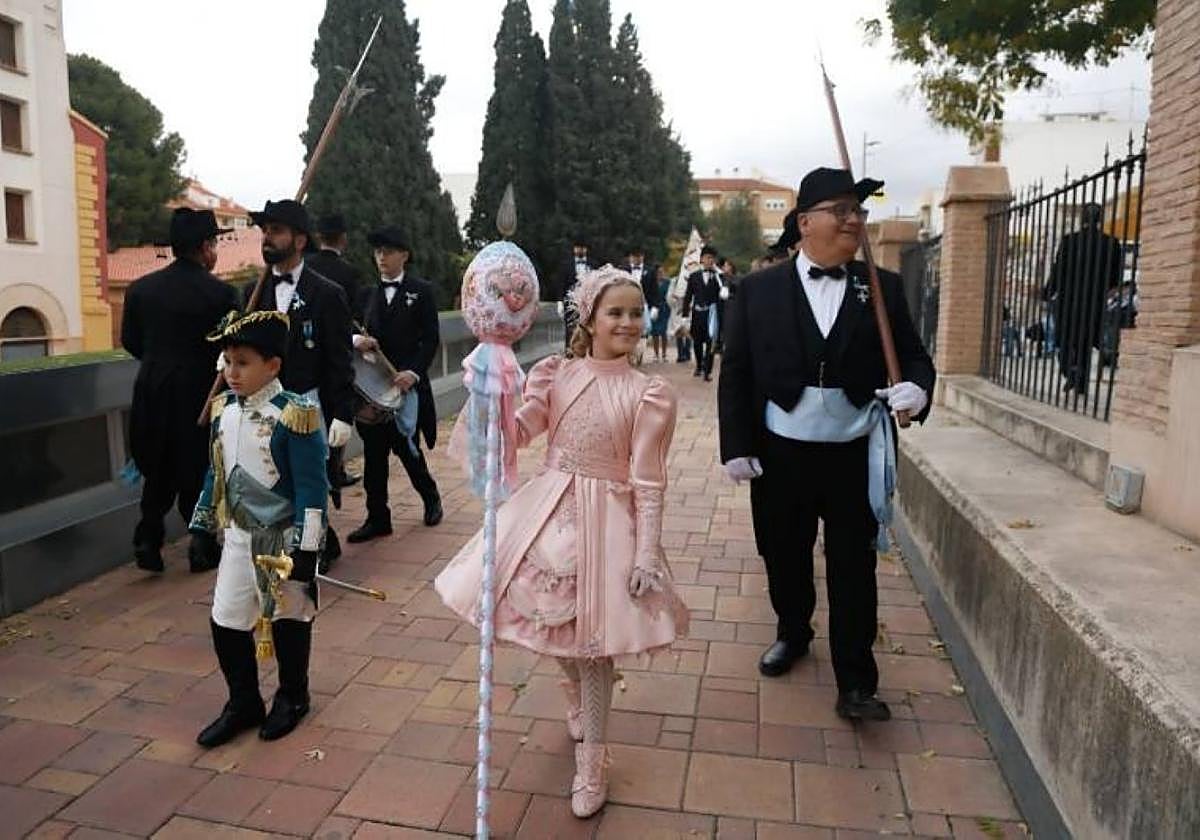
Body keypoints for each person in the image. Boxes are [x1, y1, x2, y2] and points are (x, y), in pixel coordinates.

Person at [435, 265, 688, 819]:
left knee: (594, 646)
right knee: (553, 626)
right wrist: (493, 396)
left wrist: (646, 551)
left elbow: (649, 480)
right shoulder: (556, 374)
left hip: (608, 524)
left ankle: (592, 762)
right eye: (615, 312)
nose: (627, 322)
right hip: (547, 512)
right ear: (590, 319)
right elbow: (522, 432)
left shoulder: (649, 393)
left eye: (636, 313)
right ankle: (574, 694)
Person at [718, 167, 935, 722]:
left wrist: (918, 389)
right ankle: (793, 630)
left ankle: (857, 682)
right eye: (840, 211)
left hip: (851, 455)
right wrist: (736, 444)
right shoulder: (757, 290)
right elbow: (737, 371)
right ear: (804, 223)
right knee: (783, 554)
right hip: (780, 455)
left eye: (858, 211)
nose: (853, 220)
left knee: (853, 567)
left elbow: (914, 357)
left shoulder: (881, 288)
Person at [189, 309, 328, 747]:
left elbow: (312, 489)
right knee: (226, 620)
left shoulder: (295, 415)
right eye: (227, 362)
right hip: (238, 534)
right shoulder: (223, 410)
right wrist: (201, 525)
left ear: (273, 365)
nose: (231, 373)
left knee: (289, 619)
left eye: (243, 362)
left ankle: (293, 696)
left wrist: (307, 549)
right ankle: (244, 702)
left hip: (283, 539)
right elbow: (216, 472)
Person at [121, 208, 240, 573]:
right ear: (205, 247)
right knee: (197, 467)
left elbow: (130, 341)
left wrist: (159, 364)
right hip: (200, 392)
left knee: (158, 466)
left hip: (152, 390)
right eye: (214, 243)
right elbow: (233, 349)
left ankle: (148, 537)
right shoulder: (221, 294)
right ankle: (201, 544)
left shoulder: (140, 290)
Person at [245, 199, 355, 571]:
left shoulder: (327, 294)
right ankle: (311, 539)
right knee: (275, 476)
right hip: (264, 403)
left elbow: (340, 360)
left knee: (310, 480)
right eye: (265, 231)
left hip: (308, 403)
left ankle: (315, 545)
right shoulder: (253, 292)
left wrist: (343, 413)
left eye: (276, 231)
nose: (267, 238)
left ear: (300, 240)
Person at [347, 226, 444, 542]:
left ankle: (431, 498)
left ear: (404, 255)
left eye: (388, 252)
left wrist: (412, 373)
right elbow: (346, 329)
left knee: (409, 451)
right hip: (374, 394)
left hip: (406, 390)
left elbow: (431, 339)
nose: (381, 257)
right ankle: (378, 518)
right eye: (377, 252)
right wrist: (358, 340)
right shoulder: (366, 295)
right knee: (374, 459)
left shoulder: (422, 291)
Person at [306, 212, 364, 499]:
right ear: (343, 238)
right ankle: (335, 471)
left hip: (306, 356)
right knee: (337, 416)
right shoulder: (349, 273)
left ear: (318, 237)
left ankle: (319, 474)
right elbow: (353, 317)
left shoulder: (306, 267)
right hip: (336, 355)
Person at [1043, 204, 1123, 396]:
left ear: (1082, 219)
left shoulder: (1069, 241)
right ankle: (1081, 382)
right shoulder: (1111, 243)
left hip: (1069, 300)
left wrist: (1048, 292)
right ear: (1100, 219)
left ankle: (1070, 372)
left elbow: (1058, 268)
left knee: (1065, 340)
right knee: (1085, 343)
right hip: (1094, 301)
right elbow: (1115, 276)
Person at [682, 245, 727, 381]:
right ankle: (699, 366)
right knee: (697, 342)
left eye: (712, 258)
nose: (710, 260)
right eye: (708, 257)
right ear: (701, 259)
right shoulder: (694, 276)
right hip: (697, 313)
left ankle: (708, 371)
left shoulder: (719, 277)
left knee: (710, 341)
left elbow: (724, 294)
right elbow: (688, 296)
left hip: (712, 314)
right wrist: (685, 316)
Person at [556, 238, 595, 348]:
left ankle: (588, 351)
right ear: (574, 249)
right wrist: (559, 302)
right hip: (570, 301)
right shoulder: (566, 264)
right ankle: (569, 352)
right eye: (578, 248)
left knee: (588, 327)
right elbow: (561, 283)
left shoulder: (593, 264)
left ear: (586, 249)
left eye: (582, 248)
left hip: (588, 302)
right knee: (570, 328)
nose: (580, 250)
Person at [647, 266, 673, 362]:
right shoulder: (651, 282)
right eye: (658, 272)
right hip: (654, 308)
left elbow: (671, 295)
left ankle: (664, 354)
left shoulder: (668, 282)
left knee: (664, 332)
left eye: (662, 272)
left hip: (665, 309)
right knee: (655, 332)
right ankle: (656, 354)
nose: (660, 274)